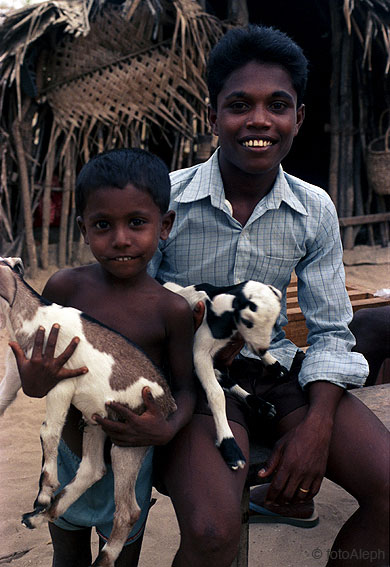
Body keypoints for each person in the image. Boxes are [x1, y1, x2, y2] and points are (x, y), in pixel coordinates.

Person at [14, 25, 389, 567]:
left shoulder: (315, 210)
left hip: (280, 371)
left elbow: (331, 330)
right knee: (214, 529)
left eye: (277, 105)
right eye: (240, 105)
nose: (259, 120)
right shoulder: (164, 204)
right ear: (214, 116)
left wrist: (318, 424)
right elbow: (130, 319)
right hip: (192, 383)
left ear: (298, 118)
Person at [10, 148, 196, 567]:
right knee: (67, 556)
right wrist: (34, 382)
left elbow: (186, 388)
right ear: (82, 229)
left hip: (132, 457)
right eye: (102, 225)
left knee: (121, 557)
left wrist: (167, 430)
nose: (121, 239)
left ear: (164, 225)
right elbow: (41, 375)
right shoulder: (65, 289)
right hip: (68, 455)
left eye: (137, 223)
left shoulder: (170, 310)